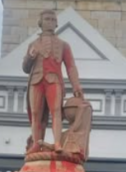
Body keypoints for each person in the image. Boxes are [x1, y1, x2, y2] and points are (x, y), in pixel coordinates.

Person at [22, 9, 83, 154]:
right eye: (47, 19)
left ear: (56, 24)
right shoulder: (33, 45)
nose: (50, 22)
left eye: (52, 19)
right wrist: (30, 57)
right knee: (36, 113)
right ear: (40, 23)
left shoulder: (63, 45)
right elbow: (25, 68)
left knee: (56, 111)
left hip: (53, 80)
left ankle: (57, 143)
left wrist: (76, 85)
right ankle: (37, 143)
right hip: (36, 81)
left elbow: (71, 67)